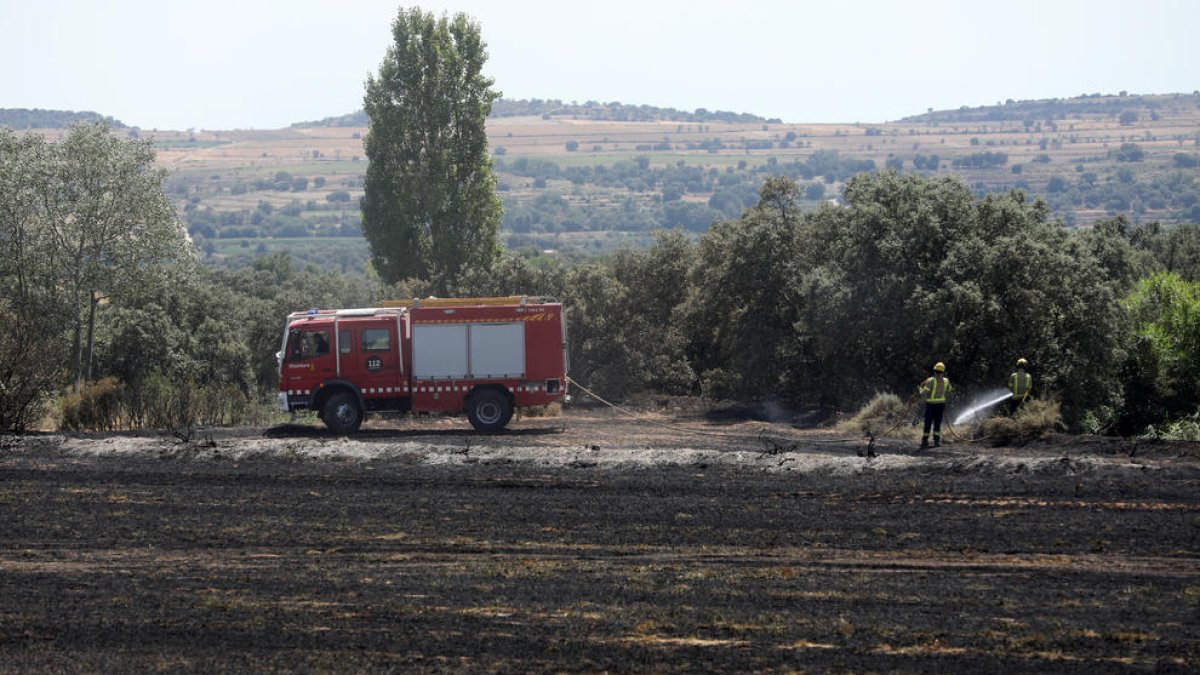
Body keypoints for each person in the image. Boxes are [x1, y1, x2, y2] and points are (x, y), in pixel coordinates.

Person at [918, 362, 952, 449]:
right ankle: (936, 442)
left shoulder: (930, 381)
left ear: (935, 371)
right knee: (937, 423)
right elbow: (950, 390)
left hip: (931, 405)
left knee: (928, 423)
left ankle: (925, 441)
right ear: (943, 372)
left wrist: (920, 389)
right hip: (941, 405)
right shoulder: (946, 381)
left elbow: (923, 393)